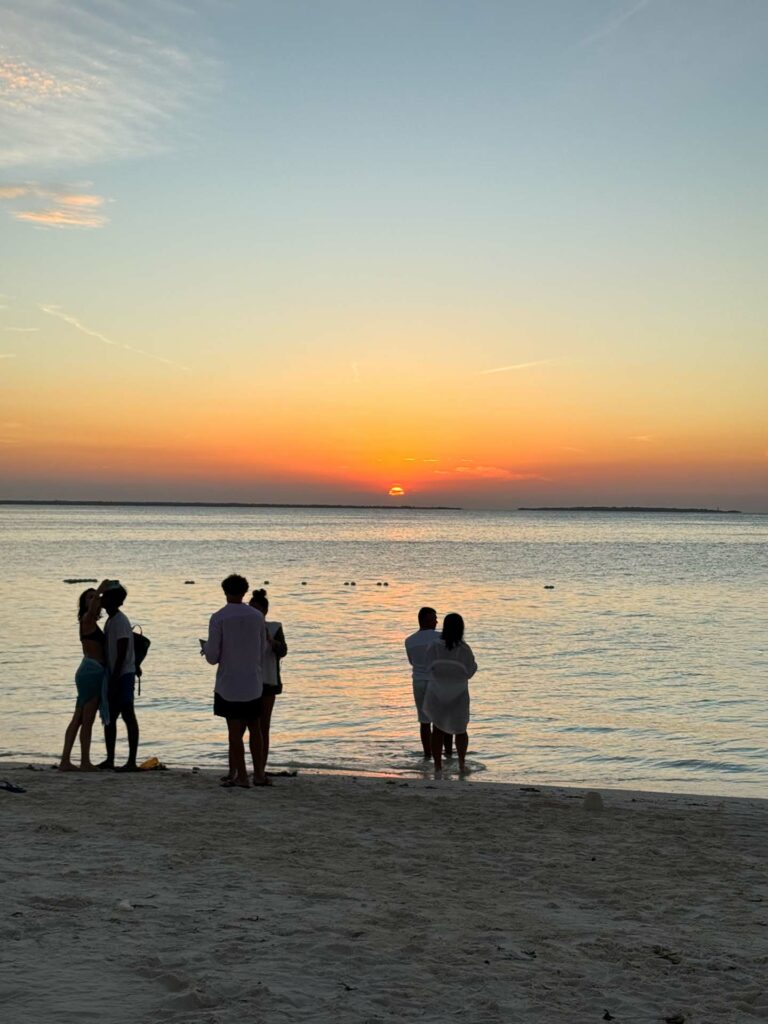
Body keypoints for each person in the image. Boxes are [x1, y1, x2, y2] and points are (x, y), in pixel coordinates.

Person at [203, 574, 268, 789]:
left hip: (229, 682)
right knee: (255, 728)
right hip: (253, 680)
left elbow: (212, 656)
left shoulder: (219, 617)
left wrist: (205, 649)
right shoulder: (257, 616)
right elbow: (262, 649)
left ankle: (241, 776)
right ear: (244, 591)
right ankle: (258, 774)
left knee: (234, 732)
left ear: (225, 591)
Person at [59, 580, 111, 772]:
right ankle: (85, 762)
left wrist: (99, 594)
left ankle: (66, 760)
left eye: (94, 596)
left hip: (89, 671)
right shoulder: (86, 620)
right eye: (89, 597)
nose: (94, 599)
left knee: (79, 718)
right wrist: (100, 589)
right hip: (92, 672)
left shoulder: (90, 622)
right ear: (84, 603)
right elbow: (92, 609)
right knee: (85, 719)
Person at [422, 613, 478, 774]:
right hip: (458, 694)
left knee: (437, 728)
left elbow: (427, 667)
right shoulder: (464, 649)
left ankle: (438, 766)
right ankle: (461, 764)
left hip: (437, 692)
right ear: (461, 629)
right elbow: (470, 671)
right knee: (461, 730)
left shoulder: (434, 646)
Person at [98, 582, 140, 772]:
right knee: (111, 716)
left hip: (123, 674)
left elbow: (122, 650)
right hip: (117, 673)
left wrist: (114, 677)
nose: (102, 599)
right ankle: (110, 759)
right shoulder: (111, 620)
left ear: (114, 600)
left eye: (105, 596)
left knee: (127, 714)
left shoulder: (120, 621)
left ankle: (131, 761)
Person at [404, 607, 452, 760]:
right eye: (434, 618)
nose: (437, 621)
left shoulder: (409, 640)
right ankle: (448, 754)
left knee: (424, 721)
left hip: (419, 681)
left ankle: (427, 755)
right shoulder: (442, 637)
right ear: (426, 620)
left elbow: (412, 662)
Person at [249, 589, 288, 776]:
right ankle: (240, 768)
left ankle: (260, 769)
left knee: (263, 726)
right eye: (251, 609)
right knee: (244, 727)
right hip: (247, 680)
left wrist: (272, 642)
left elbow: (283, 651)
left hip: (268, 682)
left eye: (256, 609)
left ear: (265, 611)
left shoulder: (274, 627)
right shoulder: (243, 627)